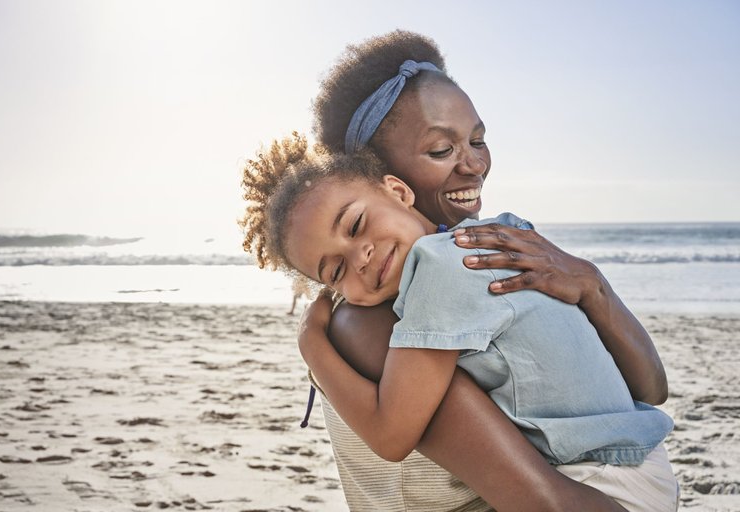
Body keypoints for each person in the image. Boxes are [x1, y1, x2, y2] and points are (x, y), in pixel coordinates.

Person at [245, 31, 672, 512]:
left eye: (477, 140)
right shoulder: (372, 317)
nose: (474, 166)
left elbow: (649, 390)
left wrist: (593, 286)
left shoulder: (498, 249)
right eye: (440, 150)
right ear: (389, 176)